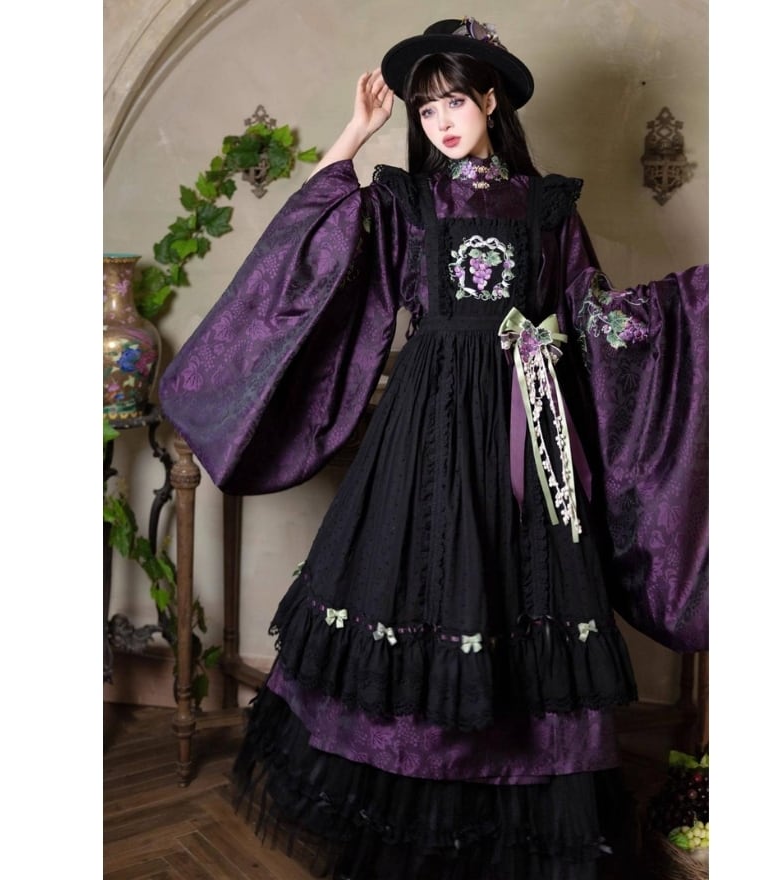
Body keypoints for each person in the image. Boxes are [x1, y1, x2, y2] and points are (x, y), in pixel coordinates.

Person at [158, 16, 708, 880]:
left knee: (515, 594)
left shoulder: (548, 206)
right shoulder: (406, 203)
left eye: (454, 101)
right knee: (424, 583)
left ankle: (506, 821)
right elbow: (309, 248)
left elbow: (595, 316)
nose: (441, 121)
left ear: (490, 100)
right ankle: (412, 808)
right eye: (425, 110)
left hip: (526, 421)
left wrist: (694, 306)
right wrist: (354, 134)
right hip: (426, 432)